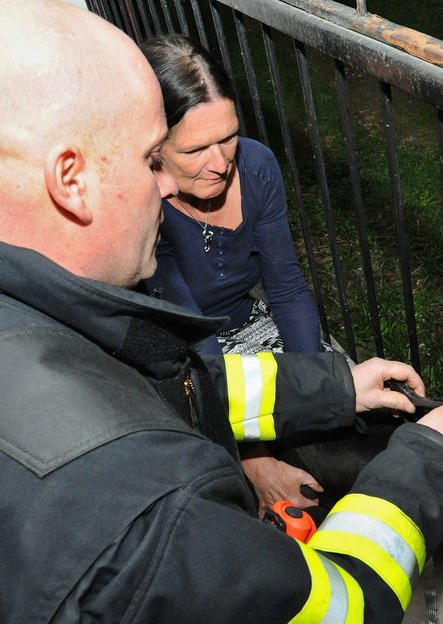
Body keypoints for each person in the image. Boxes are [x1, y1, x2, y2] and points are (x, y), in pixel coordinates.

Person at [0, 0, 443, 624]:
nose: (171, 184)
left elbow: (145, 396)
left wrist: (335, 385)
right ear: (72, 180)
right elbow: (338, 609)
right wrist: (420, 466)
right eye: (153, 158)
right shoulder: (146, 516)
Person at [139, 34, 335, 516]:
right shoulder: (143, 203)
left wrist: (319, 390)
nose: (221, 162)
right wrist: (254, 457)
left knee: (347, 416)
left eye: (228, 137)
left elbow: (287, 287)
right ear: (152, 148)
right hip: (178, 356)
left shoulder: (257, 165)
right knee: (227, 491)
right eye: (195, 150)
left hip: (246, 325)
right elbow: (193, 339)